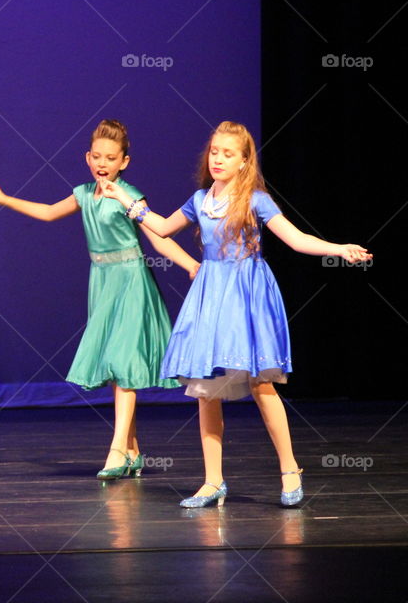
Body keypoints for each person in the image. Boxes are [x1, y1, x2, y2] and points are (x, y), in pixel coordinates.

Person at [99, 120, 371, 507]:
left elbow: (295, 239)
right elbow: (161, 227)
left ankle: (290, 469)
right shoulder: (199, 200)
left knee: (261, 383)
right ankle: (213, 481)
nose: (218, 159)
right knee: (206, 389)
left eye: (228, 154)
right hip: (211, 295)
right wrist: (124, 198)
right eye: (214, 151)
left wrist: (338, 249)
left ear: (244, 161)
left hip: (246, 294)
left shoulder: (255, 200)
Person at [0, 119, 199, 479]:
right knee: (114, 368)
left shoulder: (129, 195)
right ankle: (133, 450)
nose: (102, 163)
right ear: (87, 157)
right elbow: (49, 212)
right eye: (97, 156)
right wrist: (4, 198)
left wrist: (190, 265)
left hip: (131, 283)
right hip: (102, 282)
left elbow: (158, 237)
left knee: (123, 363)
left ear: (123, 162)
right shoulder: (83, 193)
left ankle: (116, 450)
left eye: (110, 158)